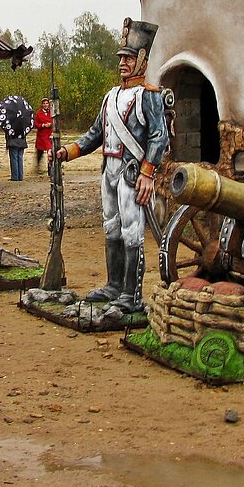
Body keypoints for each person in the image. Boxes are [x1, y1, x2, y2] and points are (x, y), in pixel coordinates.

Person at [56, 18, 169, 314]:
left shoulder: (149, 96)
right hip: (110, 171)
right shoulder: (110, 97)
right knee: (112, 227)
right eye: (121, 58)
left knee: (133, 230)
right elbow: (96, 134)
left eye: (129, 58)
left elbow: (159, 138)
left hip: (133, 173)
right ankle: (114, 285)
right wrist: (69, 151)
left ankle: (132, 294)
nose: (123, 63)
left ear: (141, 61)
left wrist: (148, 174)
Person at [33, 98, 54, 175]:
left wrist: (51, 124)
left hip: (49, 135)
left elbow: (55, 121)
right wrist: (43, 125)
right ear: (42, 105)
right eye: (44, 103)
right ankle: (37, 168)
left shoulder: (51, 113)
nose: (45, 105)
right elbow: (36, 124)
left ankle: (50, 170)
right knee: (39, 153)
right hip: (41, 136)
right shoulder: (39, 113)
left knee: (50, 153)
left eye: (46, 103)